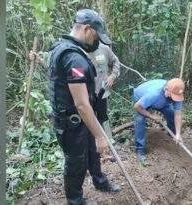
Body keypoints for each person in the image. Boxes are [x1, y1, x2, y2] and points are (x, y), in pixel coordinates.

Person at [30, 9, 120, 205]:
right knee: (76, 163)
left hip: (79, 119)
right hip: (73, 122)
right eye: (96, 35)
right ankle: (75, 201)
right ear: (87, 29)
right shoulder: (74, 57)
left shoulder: (60, 48)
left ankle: (100, 181)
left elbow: (58, 79)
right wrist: (100, 135)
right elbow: (81, 103)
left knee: (92, 152)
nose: (97, 40)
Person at [133, 78, 185, 164]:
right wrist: (152, 116)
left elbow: (178, 114)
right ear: (166, 90)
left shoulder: (177, 94)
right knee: (140, 120)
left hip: (160, 102)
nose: (175, 99)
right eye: (173, 96)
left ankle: (172, 136)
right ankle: (140, 150)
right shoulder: (154, 94)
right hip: (141, 99)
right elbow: (137, 106)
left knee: (171, 114)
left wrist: (178, 133)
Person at [88, 42, 120, 140]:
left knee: (103, 116)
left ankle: (109, 140)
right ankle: (93, 142)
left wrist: (112, 76)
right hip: (86, 92)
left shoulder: (104, 48)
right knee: (89, 116)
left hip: (102, 90)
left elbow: (116, 62)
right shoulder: (79, 49)